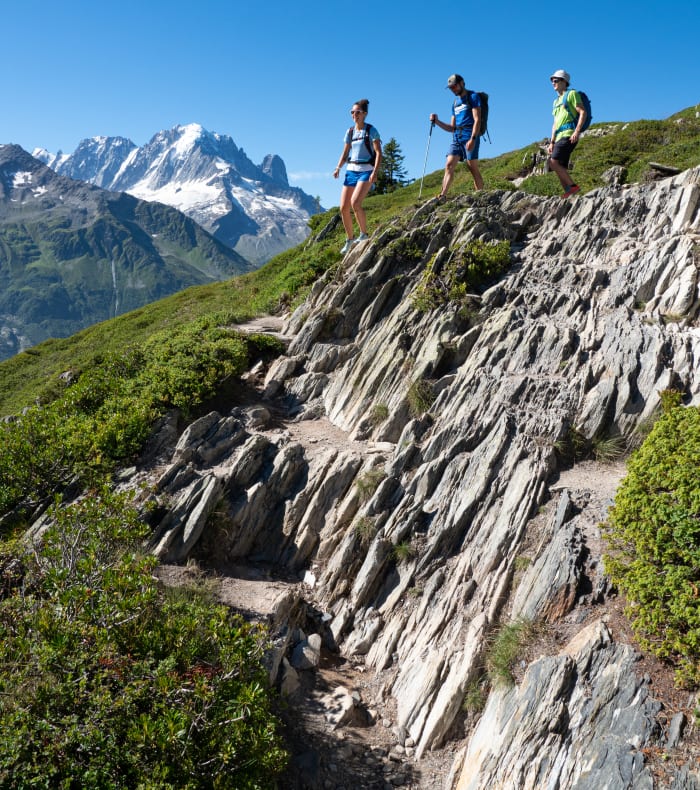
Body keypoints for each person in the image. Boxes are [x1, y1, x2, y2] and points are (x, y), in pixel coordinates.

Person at [333, 99, 382, 254]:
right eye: (352, 112)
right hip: (351, 170)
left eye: (358, 112)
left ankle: (364, 234)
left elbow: (379, 153)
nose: (354, 115)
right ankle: (349, 239)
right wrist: (338, 168)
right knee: (343, 208)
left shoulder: (371, 130)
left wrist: (375, 171)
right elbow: (345, 152)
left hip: (366, 170)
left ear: (364, 114)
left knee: (355, 203)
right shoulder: (350, 132)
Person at [430, 74, 484, 201]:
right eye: (450, 88)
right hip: (457, 138)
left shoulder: (473, 97)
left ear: (462, 83)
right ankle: (442, 195)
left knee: (472, 167)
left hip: (470, 135)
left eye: (454, 86)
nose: (453, 89)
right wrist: (437, 122)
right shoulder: (455, 104)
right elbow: (451, 127)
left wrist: (473, 139)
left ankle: (480, 195)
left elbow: (477, 120)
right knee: (449, 165)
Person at [548, 69, 587, 198]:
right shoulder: (555, 102)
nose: (553, 82)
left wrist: (577, 131)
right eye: (552, 80)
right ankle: (569, 193)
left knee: (553, 162)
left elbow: (582, 112)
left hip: (568, 133)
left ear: (564, 82)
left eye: (556, 80)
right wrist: (552, 142)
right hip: (558, 136)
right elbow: (555, 123)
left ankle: (573, 187)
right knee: (560, 166)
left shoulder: (572, 94)